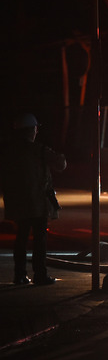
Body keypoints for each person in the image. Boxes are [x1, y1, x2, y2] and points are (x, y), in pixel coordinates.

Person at [0, 113, 67, 285]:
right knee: (39, 241)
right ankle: (40, 274)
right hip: (38, 204)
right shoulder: (39, 150)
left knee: (21, 239)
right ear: (32, 131)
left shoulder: (9, 153)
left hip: (19, 204)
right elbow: (60, 164)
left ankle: (20, 275)